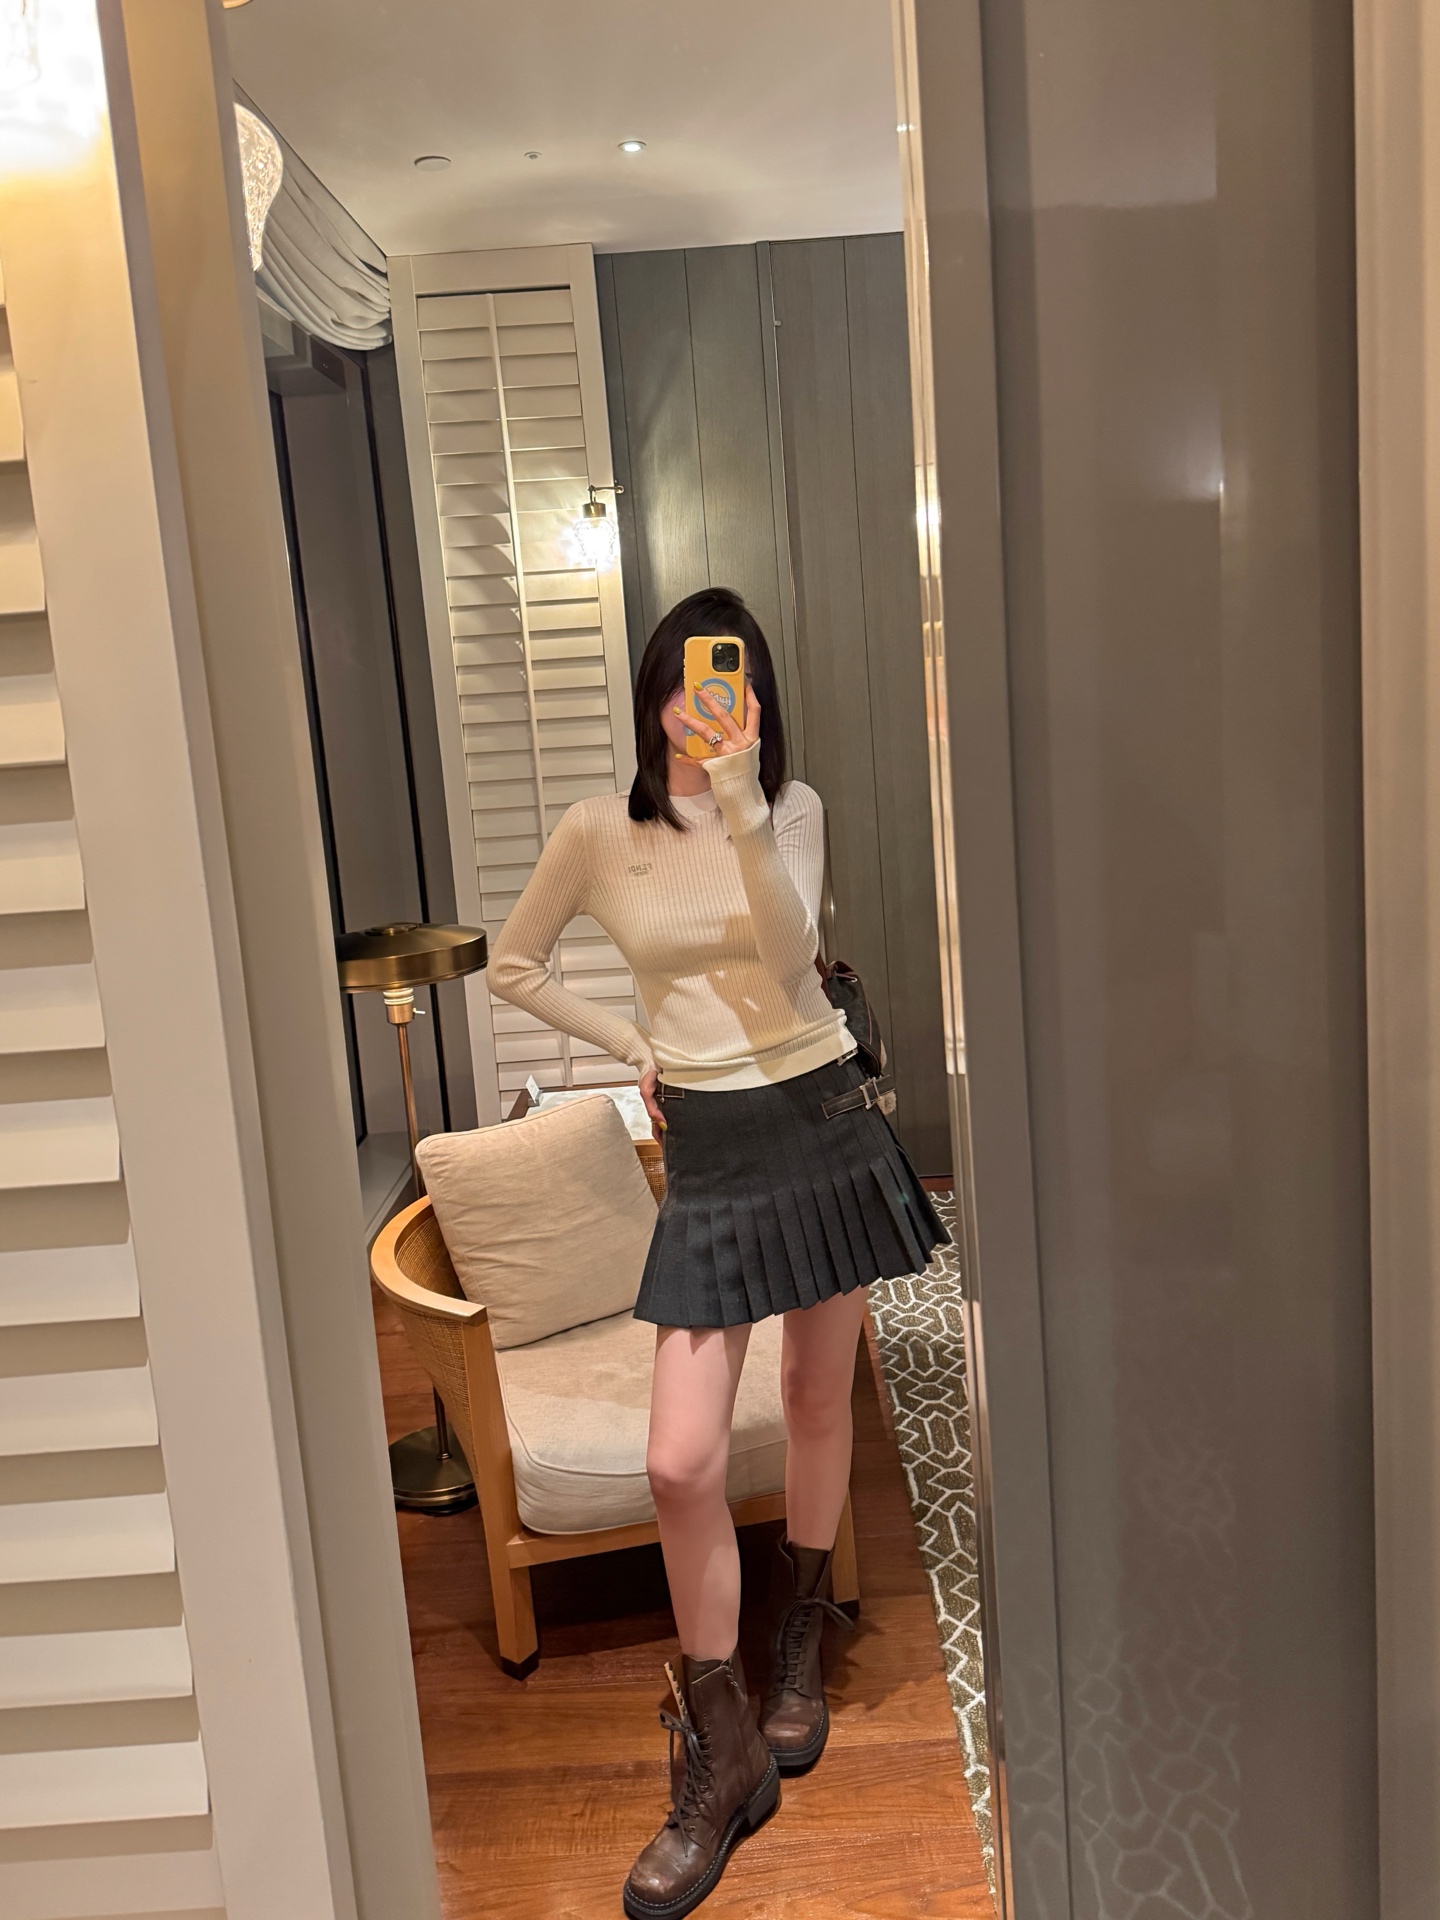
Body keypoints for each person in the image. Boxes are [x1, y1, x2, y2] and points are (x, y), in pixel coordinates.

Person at [489, 586, 946, 1918]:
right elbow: (515, 965)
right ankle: (723, 1741)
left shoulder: (787, 809)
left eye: (727, 681)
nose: (702, 704)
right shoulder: (599, 831)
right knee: (678, 1459)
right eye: (685, 683)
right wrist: (631, 1042)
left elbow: (794, 956)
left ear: (755, 696)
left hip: (818, 1116)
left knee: (814, 1395)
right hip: (708, 1148)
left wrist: (742, 793)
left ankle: (796, 1640)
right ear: (651, 693)